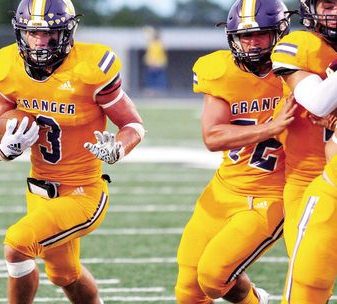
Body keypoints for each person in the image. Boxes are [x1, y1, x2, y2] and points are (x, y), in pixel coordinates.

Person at [0, 0, 144, 303]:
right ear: (21, 33)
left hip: (83, 192)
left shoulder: (89, 68)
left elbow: (133, 124)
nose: (40, 42)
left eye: (49, 34)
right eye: (32, 33)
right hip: (39, 190)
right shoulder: (8, 67)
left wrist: (118, 147)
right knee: (64, 275)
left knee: (17, 245)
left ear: (67, 33)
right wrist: (2, 151)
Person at [175, 1, 295, 303]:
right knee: (188, 289)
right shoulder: (219, 70)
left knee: (214, 279)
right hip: (224, 187)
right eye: (245, 36)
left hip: (272, 195)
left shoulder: (299, 71)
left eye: (260, 35)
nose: (252, 44)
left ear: (279, 33)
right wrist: (271, 127)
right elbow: (213, 136)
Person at [271, 0, 337, 302]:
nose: (335, 12)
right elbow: (317, 103)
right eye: (328, 4)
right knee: (307, 276)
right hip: (307, 176)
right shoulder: (299, 44)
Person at [143, 27, 168, 95]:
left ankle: (159, 90)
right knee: (152, 78)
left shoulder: (158, 44)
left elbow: (157, 54)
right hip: (152, 63)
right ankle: (152, 90)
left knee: (158, 78)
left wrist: (154, 63)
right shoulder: (152, 43)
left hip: (158, 64)